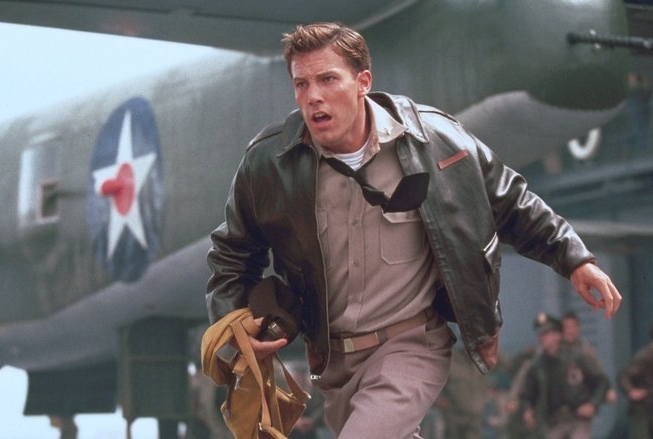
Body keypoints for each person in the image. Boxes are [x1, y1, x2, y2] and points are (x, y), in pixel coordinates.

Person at [205, 22, 622, 438]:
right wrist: (232, 330)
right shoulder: (269, 164)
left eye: (328, 79)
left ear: (363, 82)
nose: (312, 96)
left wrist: (574, 259)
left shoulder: (435, 140)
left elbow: (510, 201)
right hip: (332, 361)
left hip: (412, 343)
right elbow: (232, 253)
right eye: (301, 83)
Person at [520, 313, 609, 439]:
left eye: (546, 334)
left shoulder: (577, 356)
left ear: (558, 335)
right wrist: (527, 409)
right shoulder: (537, 365)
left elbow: (601, 381)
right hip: (553, 421)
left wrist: (592, 404)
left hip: (578, 417)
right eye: (540, 334)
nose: (542, 338)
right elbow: (528, 392)